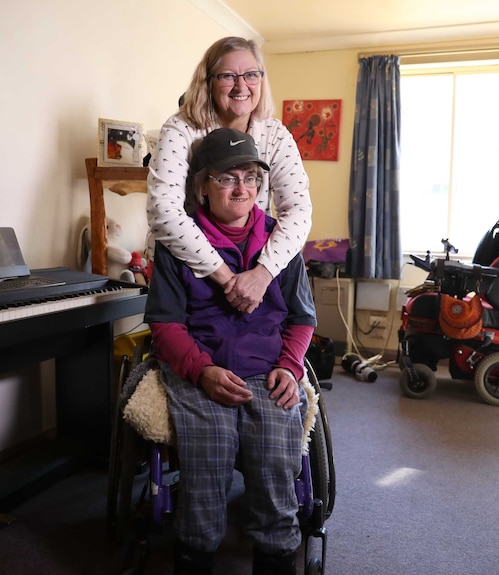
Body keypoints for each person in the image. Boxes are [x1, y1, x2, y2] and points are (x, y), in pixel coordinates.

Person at [144, 128, 316, 575]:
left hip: (268, 368)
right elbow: (164, 325)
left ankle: (276, 554)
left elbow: (302, 319)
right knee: (208, 456)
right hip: (202, 368)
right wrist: (201, 372)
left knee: (277, 453)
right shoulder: (180, 244)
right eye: (226, 178)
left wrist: (290, 366)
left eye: (250, 178)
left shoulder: (281, 245)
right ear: (202, 185)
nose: (242, 188)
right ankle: (196, 554)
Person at [146, 36, 312, 315]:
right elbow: (163, 211)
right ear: (208, 81)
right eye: (227, 76)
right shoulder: (181, 129)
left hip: (253, 273)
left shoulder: (276, 135)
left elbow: (298, 211)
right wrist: (227, 278)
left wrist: (261, 275)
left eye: (251, 75)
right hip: (187, 267)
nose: (241, 86)